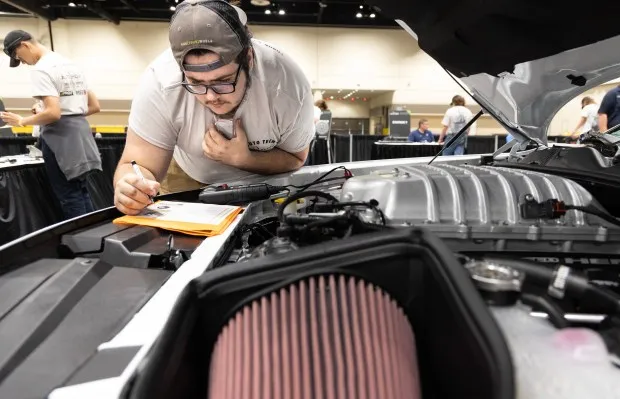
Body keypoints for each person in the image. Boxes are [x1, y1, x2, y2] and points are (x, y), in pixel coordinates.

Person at [113, 0, 315, 216]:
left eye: (223, 80)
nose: (211, 96)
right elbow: (137, 164)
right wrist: (130, 188)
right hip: (187, 173)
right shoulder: (160, 84)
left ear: (249, 58)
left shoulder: (286, 86)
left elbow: (296, 158)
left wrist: (244, 159)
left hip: (263, 180)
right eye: (196, 83)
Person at [1, 30, 102, 219]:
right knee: (81, 191)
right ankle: (94, 236)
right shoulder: (70, 64)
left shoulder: (41, 69)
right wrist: (46, 110)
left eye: (18, 57)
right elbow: (94, 106)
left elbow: (54, 113)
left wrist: (22, 121)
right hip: (81, 135)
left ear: (25, 45)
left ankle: (81, 243)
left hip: (60, 139)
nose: (22, 62)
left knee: (69, 196)